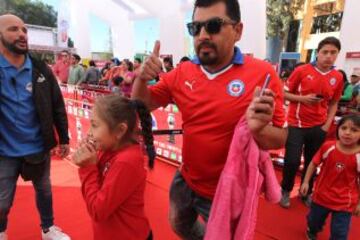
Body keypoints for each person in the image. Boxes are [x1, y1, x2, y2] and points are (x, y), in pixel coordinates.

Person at [132, 0, 287, 238]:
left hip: (228, 191)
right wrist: (142, 79)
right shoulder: (181, 72)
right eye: (195, 28)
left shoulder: (262, 74)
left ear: (238, 31)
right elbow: (143, 104)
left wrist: (258, 131)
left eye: (213, 26)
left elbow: (280, 138)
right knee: (178, 224)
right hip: (186, 178)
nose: (203, 35)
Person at [0, 14, 70, 240]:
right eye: (13, 29)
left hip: (38, 147)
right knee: (2, 201)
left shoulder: (40, 68)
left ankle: (48, 229)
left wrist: (65, 138)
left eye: (24, 30)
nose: (22, 34)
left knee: (45, 191)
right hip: (4, 152)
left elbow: (57, 105)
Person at [72, 95, 155, 240]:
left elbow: (98, 210)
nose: (89, 132)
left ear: (120, 130)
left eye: (95, 125)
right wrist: (88, 158)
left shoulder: (127, 161)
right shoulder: (108, 148)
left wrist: (87, 168)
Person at [280, 37, 344, 209]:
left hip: (319, 126)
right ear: (318, 53)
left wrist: (327, 125)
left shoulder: (337, 77)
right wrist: (303, 99)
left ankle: (305, 192)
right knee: (292, 161)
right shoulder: (302, 71)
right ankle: (285, 190)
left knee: (312, 162)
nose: (328, 56)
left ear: (337, 55)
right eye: (325, 52)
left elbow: (334, 103)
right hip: (296, 124)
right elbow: (283, 94)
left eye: (333, 53)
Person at [300, 114, 360, 240]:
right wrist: (305, 182)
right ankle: (312, 230)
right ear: (338, 129)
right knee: (314, 222)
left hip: (345, 202)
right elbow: (313, 163)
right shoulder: (328, 146)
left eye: (354, 130)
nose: (347, 133)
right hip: (322, 196)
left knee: (340, 233)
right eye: (344, 128)